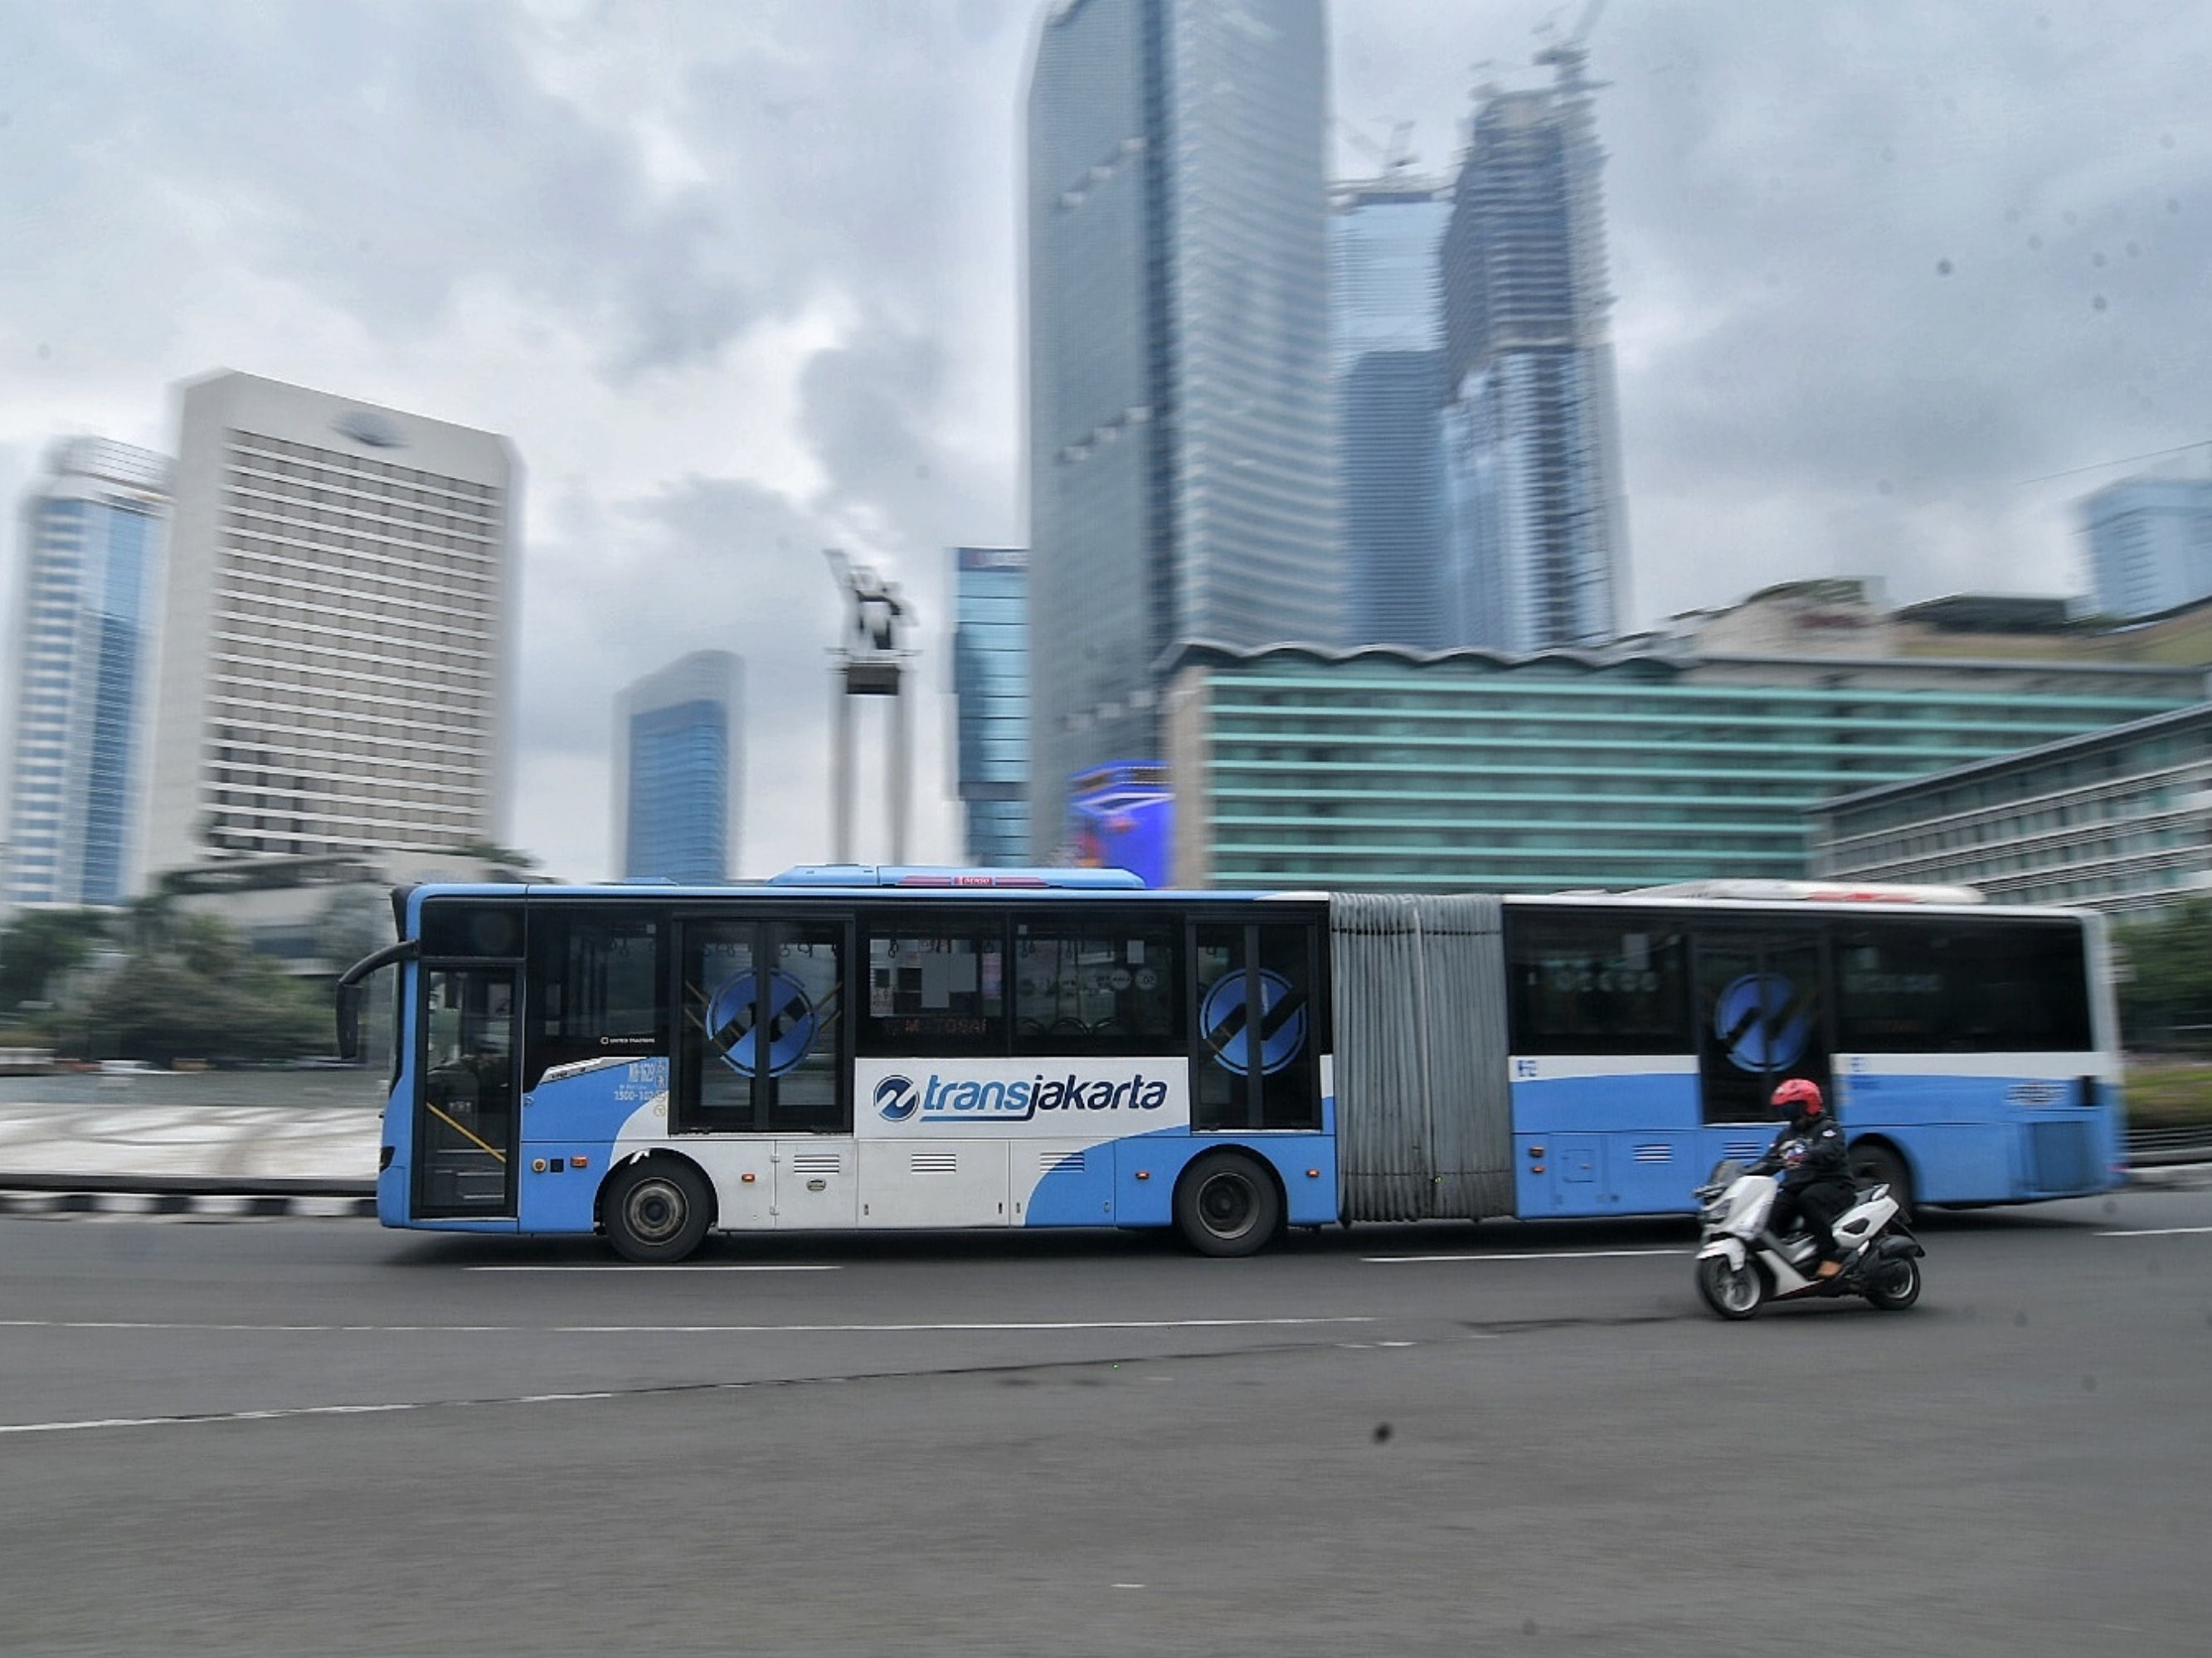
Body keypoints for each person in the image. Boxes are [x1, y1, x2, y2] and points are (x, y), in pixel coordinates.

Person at [1749, 1077, 1854, 1278]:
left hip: (1834, 1185)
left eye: (1792, 1110)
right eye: (1785, 1111)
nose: (1789, 1116)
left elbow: (1828, 1152)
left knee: (1809, 1200)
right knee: (1767, 1213)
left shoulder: (1829, 1129)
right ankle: (1779, 1263)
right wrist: (1745, 1173)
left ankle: (1831, 1256)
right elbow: (1769, 1161)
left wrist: (1808, 1152)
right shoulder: (1786, 1135)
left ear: (1809, 1105)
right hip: (1796, 1187)